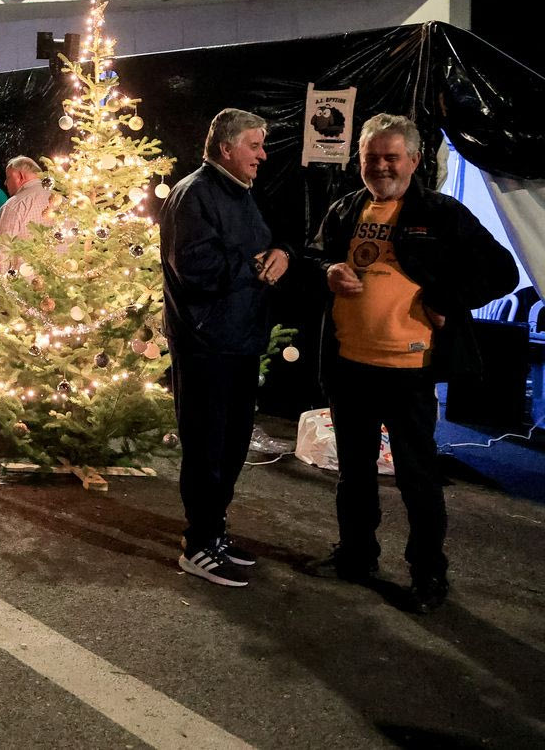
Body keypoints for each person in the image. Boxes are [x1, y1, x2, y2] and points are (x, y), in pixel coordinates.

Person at [310, 113, 516, 613]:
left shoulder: (441, 213)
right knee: (354, 474)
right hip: (349, 365)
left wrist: (446, 297)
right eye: (371, 158)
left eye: (391, 157)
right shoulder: (344, 209)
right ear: (359, 161)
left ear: (414, 160)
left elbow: (502, 271)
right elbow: (311, 256)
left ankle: (428, 574)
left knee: (416, 478)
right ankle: (356, 557)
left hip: (409, 371)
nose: (381, 166)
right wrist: (329, 269)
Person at [159, 109, 292, 588]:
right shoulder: (193, 195)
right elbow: (195, 269)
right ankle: (198, 545)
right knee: (207, 446)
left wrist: (281, 255)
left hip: (240, 341)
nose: (263, 154)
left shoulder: (240, 194)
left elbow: (260, 249)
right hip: (205, 346)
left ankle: (213, 531)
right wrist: (257, 266)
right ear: (225, 148)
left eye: (261, 145)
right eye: (254, 145)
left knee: (232, 445)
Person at [0, 155, 51, 272]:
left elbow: (1, 251)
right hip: (64, 283)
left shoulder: (14, 205)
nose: (5, 183)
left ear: (20, 176)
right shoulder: (62, 201)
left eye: (8, 177)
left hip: (24, 285)